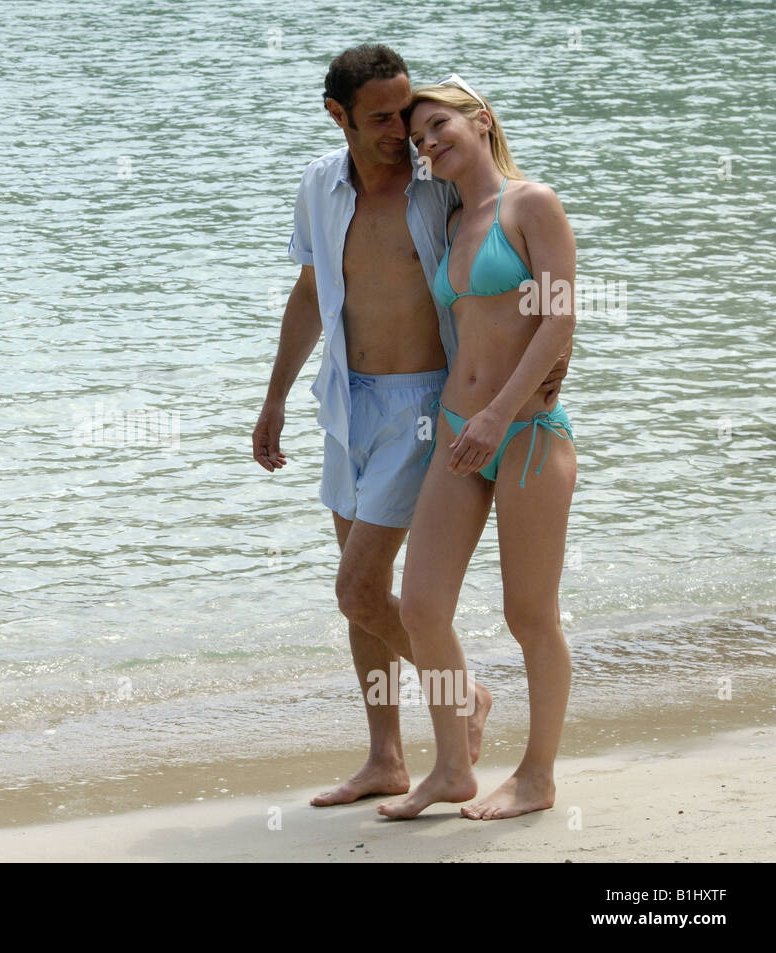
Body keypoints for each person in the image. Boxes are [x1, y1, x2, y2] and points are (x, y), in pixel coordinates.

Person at [253, 47, 569, 807]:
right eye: (385, 118)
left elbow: (540, 297)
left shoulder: (443, 192)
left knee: (361, 586)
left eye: (415, 117)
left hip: (430, 409)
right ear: (340, 116)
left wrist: (520, 388)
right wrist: (275, 397)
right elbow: (308, 290)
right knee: (373, 595)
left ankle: (471, 710)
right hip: (347, 401)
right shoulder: (320, 186)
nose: (405, 134)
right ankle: (386, 756)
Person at [376, 74, 577, 820]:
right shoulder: (454, 220)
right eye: (418, 137)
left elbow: (558, 319)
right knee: (424, 604)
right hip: (458, 435)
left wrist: (500, 411)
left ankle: (537, 775)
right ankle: (453, 767)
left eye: (438, 127)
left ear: (481, 119)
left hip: (524, 434)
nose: (428, 144)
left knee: (531, 615)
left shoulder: (533, 204)